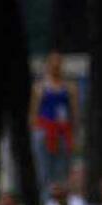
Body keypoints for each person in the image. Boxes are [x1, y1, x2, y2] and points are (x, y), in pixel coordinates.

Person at [29, 51, 79, 194]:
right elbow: (33, 113)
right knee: (44, 172)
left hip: (63, 131)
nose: (55, 66)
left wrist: (74, 134)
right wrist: (36, 131)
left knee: (62, 171)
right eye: (52, 63)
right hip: (45, 131)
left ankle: (61, 203)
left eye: (58, 63)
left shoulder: (69, 87)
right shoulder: (39, 87)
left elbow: (74, 112)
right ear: (47, 66)